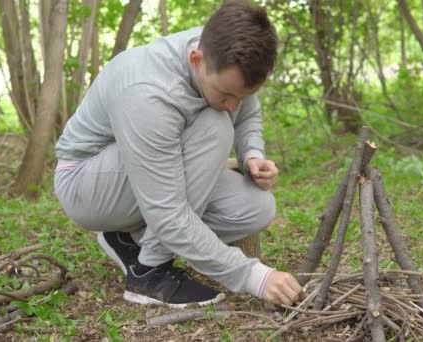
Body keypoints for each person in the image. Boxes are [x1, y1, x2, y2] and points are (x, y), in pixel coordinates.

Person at [53, 0, 305, 309]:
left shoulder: (225, 49)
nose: (232, 106)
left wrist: (252, 152)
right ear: (196, 59)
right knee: (215, 126)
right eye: (227, 94)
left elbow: (247, 111)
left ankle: (128, 239)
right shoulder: (147, 92)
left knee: (256, 207)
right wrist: (255, 276)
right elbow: (168, 213)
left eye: (241, 95)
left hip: (140, 176)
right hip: (86, 183)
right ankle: (148, 274)